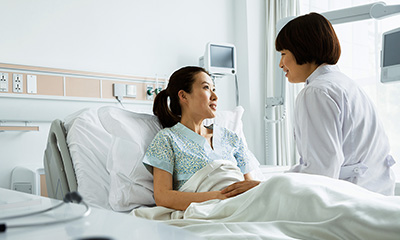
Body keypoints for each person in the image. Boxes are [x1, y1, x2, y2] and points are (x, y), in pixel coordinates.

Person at [275, 12, 395, 195]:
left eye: (283, 53)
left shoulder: (316, 92)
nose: (281, 64)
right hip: (377, 193)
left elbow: (320, 171)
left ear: (302, 48)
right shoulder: (346, 85)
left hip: (349, 200)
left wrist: (270, 187)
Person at [143, 66, 260, 210]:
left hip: (245, 206)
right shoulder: (167, 139)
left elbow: (252, 187)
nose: (215, 96)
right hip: (209, 211)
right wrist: (219, 197)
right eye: (206, 88)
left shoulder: (231, 138)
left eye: (214, 89)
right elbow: (163, 197)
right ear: (183, 96)